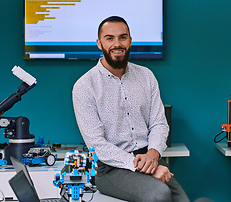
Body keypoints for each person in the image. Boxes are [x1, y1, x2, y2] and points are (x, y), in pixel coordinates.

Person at [72, 16, 190, 202]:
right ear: (99, 43)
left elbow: (159, 123)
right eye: (109, 38)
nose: (117, 44)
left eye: (123, 37)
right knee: (159, 194)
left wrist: (153, 155)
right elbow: (97, 145)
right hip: (112, 169)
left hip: (150, 158)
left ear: (130, 41)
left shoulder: (146, 76)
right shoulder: (85, 86)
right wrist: (142, 166)